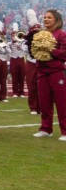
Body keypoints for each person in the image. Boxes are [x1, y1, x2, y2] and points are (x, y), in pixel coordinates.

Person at [28, 9, 66, 141]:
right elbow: (34, 53)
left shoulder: (62, 34)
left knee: (62, 103)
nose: (46, 19)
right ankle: (45, 129)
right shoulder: (40, 34)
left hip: (57, 72)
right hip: (42, 72)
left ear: (56, 20)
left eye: (49, 17)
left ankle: (65, 131)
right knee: (44, 103)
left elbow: (64, 54)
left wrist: (50, 49)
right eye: (44, 17)